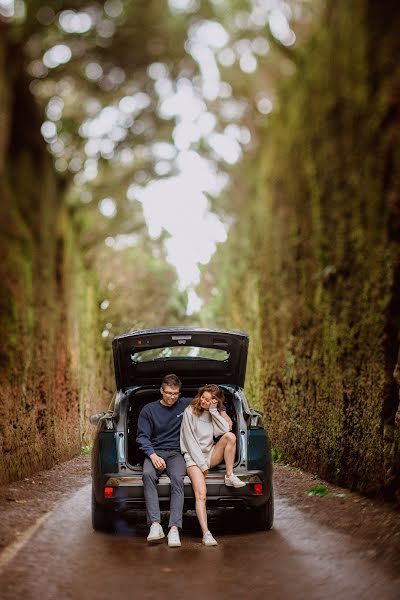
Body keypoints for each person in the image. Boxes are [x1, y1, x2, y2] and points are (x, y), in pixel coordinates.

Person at [180, 383, 245, 547]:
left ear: (215, 402)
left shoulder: (212, 413)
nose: (203, 401)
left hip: (209, 454)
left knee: (230, 437)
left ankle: (230, 475)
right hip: (193, 459)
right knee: (201, 493)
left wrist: (215, 411)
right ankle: (206, 534)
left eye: (208, 400)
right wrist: (202, 465)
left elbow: (224, 430)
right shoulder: (190, 411)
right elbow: (189, 441)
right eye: (203, 396)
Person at [136, 373, 191, 547]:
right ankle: (155, 524)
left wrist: (224, 413)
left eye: (175, 394)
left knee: (177, 480)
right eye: (168, 393)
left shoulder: (185, 404)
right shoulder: (149, 410)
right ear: (161, 390)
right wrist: (152, 455)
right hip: (155, 452)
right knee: (147, 475)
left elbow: (210, 400)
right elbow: (142, 437)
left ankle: (174, 528)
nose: (171, 397)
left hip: (176, 454)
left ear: (179, 393)